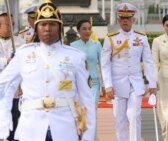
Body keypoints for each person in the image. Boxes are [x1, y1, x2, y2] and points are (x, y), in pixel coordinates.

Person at [0, 1, 96, 141]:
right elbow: (3, 85)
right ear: (36, 28)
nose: (47, 29)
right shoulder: (23, 54)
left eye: (52, 24)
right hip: (30, 129)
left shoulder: (75, 57)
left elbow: (87, 99)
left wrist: (88, 135)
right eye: (43, 24)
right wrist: (3, 116)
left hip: (64, 129)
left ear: (60, 27)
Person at [101, 3, 157, 141]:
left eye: (128, 18)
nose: (125, 21)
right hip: (117, 84)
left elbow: (148, 62)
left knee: (134, 115)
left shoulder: (141, 37)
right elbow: (105, 63)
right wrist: (108, 85)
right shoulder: (110, 38)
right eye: (122, 18)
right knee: (119, 119)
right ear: (118, 20)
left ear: (133, 20)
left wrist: (152, 83)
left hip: (135, 83)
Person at [0, 12, 24, 141]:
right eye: (9, 24)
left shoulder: (21, 42)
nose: (13, 26)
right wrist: (6, 61)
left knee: (14, 125)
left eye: (13, 24)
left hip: (14, 93)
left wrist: (24, 85)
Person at [70, 19, 104, 106]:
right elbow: (71, 67)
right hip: (79, 82)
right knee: (81, 109)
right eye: (84, 29)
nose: (87, 31)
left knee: (92, 108)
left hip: (94, 82)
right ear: (78, 31)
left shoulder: (97, 45)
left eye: (89, 28)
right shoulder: (73, 46)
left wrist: (104, 84)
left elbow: (102, 65)